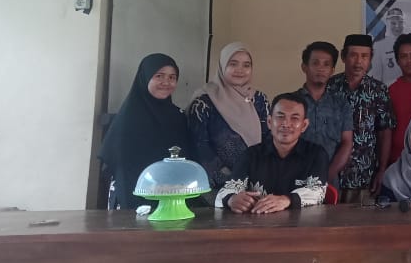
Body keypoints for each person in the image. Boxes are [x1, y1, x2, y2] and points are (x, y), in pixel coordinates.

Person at [99, 53, 191, 210]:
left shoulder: (178, 116)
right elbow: (122, 169)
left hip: (171, 198)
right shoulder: (128, 118)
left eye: (172, 77)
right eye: (159, 76)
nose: (166, 82)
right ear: (145, 77)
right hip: (133, 197)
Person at [215, 93, 329, 213]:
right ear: (269, 122)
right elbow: (228, 189)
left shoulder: (316, 154)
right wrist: (231, 199)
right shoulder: (251, 155)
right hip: (257, 220)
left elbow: (317, 192)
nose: (286, 124)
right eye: (280, 117)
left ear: (304, 125)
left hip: (301, 223)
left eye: (294, 118)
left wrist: (287, 200)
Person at [188, 42, 269, 189]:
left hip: (257, 180)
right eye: (233, 64)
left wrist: (261, 176)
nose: (240, 70)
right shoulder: (203, 103)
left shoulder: (259, 99)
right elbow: (200, 146)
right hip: (217, 185)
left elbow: (268, 138)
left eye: (246, 65)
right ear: (222, 65)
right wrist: (230, 182)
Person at [327, 34, 396, 204]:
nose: (359, 62)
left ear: (371, 58)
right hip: (330, 176)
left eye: (364, 56)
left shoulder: (378, 90)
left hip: (365, 177)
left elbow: (385, 132)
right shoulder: (329, 87)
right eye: (353, 55)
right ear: (343, 57)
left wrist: (382, 170)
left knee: (362, 220)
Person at [294, 41, 353, 185]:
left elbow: (347, 143)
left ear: (332, 70)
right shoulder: (291, 103)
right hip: (293, 178)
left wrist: (327, 176)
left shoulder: (341, 104)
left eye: (326, 64)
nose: (321, 68)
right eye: (315, 63)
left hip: (329, 181)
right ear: (304, 67)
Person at [387, 33, 411, 165]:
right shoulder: (389, 91)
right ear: (397, 61)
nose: (409, 61)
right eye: (403, 56)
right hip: (395, 162)